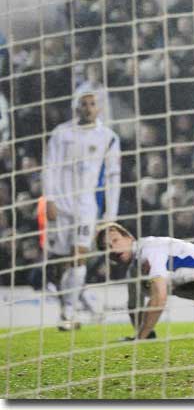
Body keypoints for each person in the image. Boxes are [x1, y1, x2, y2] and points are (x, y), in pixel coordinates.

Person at [43, 90, 121, 330]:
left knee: (79, 256)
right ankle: (83, 300)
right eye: (83, 104)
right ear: (76, 107)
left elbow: (113, 177)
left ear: (99, 108)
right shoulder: (61, 132)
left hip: (86, 206)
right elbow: (50, 166)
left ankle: (68, 313)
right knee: (59, 264)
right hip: (61, 205)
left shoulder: (108, 137)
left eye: (92, 104)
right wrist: (50, 199)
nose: (88, 108)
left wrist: (111, 216)